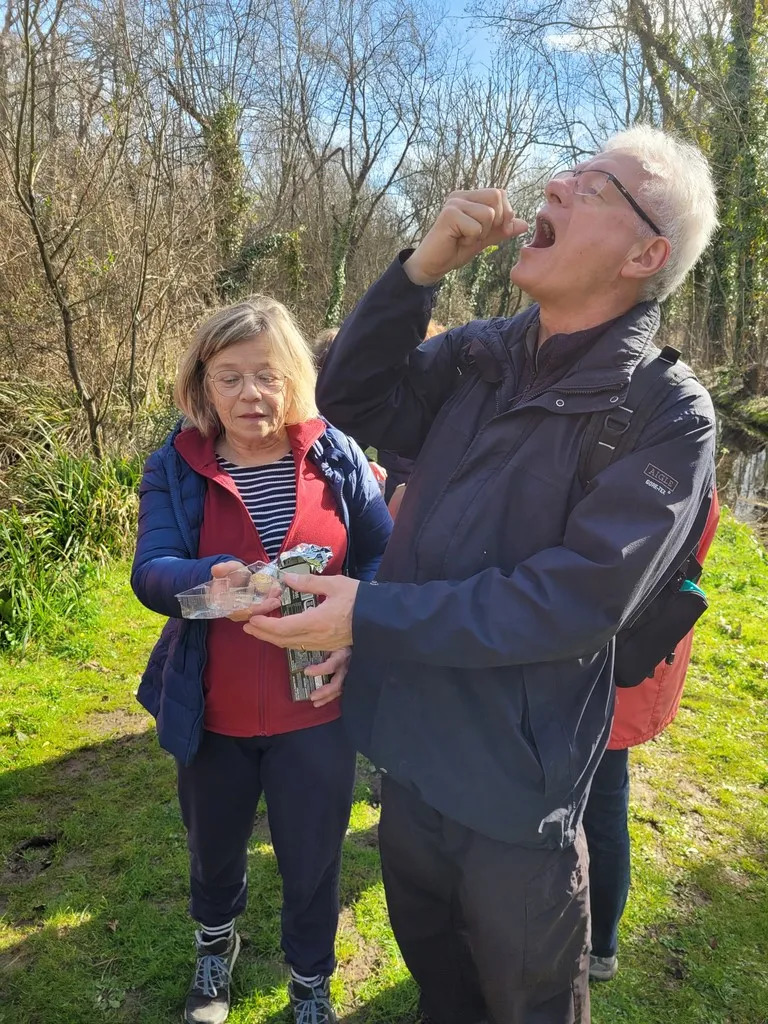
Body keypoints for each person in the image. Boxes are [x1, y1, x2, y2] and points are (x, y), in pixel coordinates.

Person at [243, 126, 719, 1024]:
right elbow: (349, 400)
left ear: (645, 254)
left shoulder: (665, 414)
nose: (557, 184)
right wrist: (417, 273)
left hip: (514, 785)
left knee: (527, 1001)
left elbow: (572, 600)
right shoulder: (484, 350)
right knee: (440, 984)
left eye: (594, 184)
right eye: (570, 168)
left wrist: (371, 617)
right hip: (407, 750)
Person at [131, 296, 392, 1024]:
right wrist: (203, 576)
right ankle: (215, 951)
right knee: (214, 850)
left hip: (319, 707)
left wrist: (354, 628)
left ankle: (310, 983)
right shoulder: (176, 466)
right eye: (230, 377)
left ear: (294, 380)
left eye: (268, 376)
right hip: (211, 708)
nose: (252, 394)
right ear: (202, 386)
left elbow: (382, 554)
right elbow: (151, 570)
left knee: (313, 858)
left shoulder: (336, 454)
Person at [585, 489, 720, 982]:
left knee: (600, 806)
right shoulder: (687, 469)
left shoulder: (674, 475)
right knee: (600, 804)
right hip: (625, 653)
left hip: (621, 658)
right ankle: (595, 938)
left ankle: (599, 942)